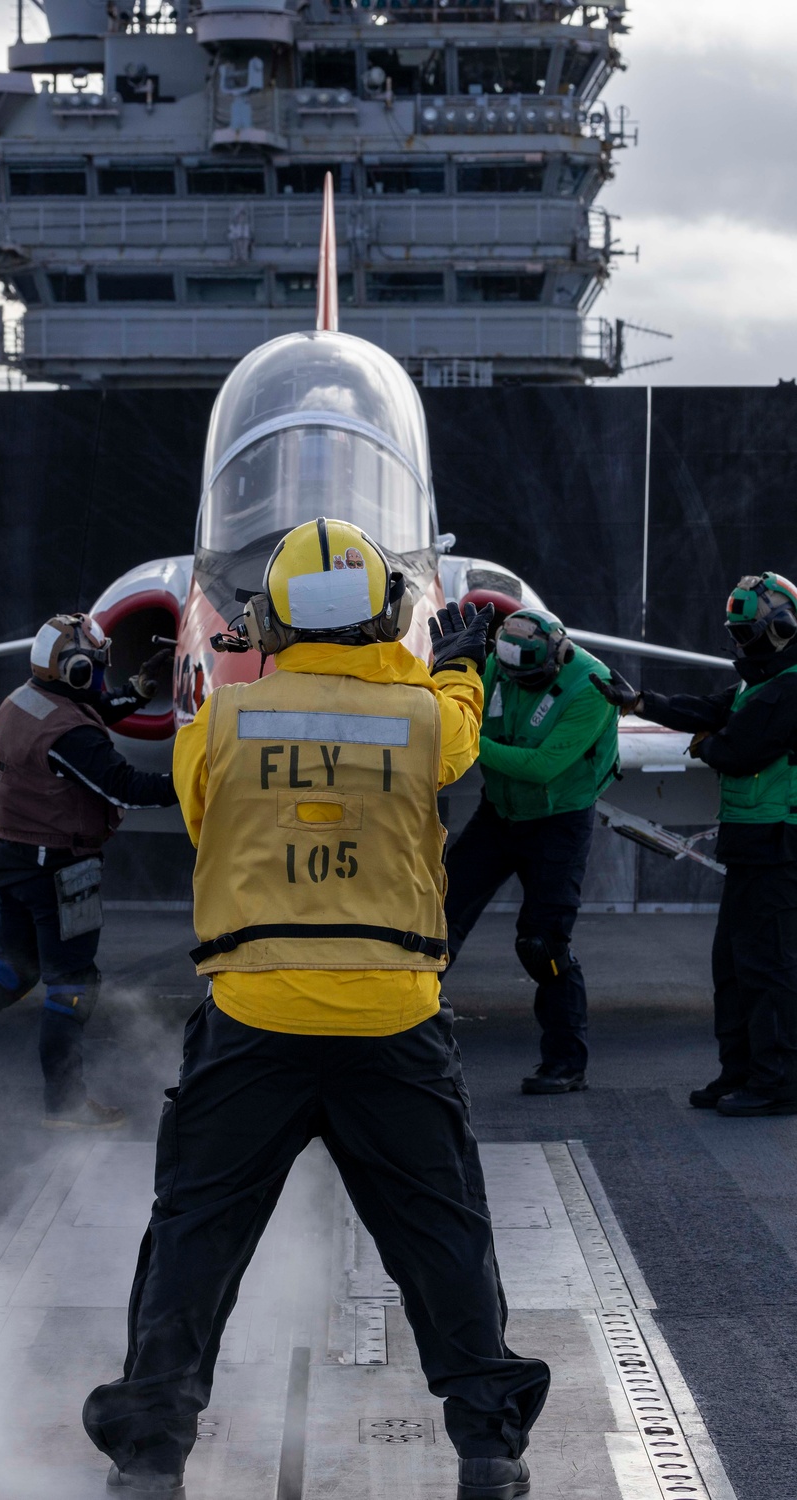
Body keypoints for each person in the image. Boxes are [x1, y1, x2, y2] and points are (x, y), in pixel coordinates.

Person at [83, 519, 549, 1500]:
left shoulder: (219, 725)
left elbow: (205, 816)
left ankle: (152, 1456)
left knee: (195, 1236)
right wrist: (458, 664)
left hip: (254, 1017)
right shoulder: (424, 718)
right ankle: (488, 1451)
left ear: (271, 618)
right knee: (443, 1238)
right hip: (393, 1023)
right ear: (384, 615)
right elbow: (459, 740)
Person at [0, 614, 178, 1129]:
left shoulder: (24, 701)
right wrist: (200, 774)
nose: (101, 677)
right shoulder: (69, 736)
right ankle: (64, 1104)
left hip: (13, 859)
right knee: (72, 983)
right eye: (96, 668)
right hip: (60, 872)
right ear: (77, 670)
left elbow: (91, 707)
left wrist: (138, 691)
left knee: (13, 967)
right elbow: (126, 787)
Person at [593, 571, 797, 1118]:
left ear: (779, 629)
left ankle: (778, 1082)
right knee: (732, 965)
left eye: (746, 634)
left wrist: (713, 745)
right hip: (752, 841)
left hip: (779, 845)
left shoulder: (790, 688)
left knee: (768, 967)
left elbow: (736, 750)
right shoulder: (761, 683)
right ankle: (740, 1072)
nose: (739, 645)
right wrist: (639, 702)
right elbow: (711, 714)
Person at [443, 609, 619, 1095]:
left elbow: (542, 766)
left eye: (531, 677)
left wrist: (460, 739)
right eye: (508, 674)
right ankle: (405, 1041)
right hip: (499, 811)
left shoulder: (594, 687)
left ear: (557, 656)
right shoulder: (502, 661)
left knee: (544, 945)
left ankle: (566, 1063)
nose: (516, 683)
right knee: (435, 917)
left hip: (557, 822)